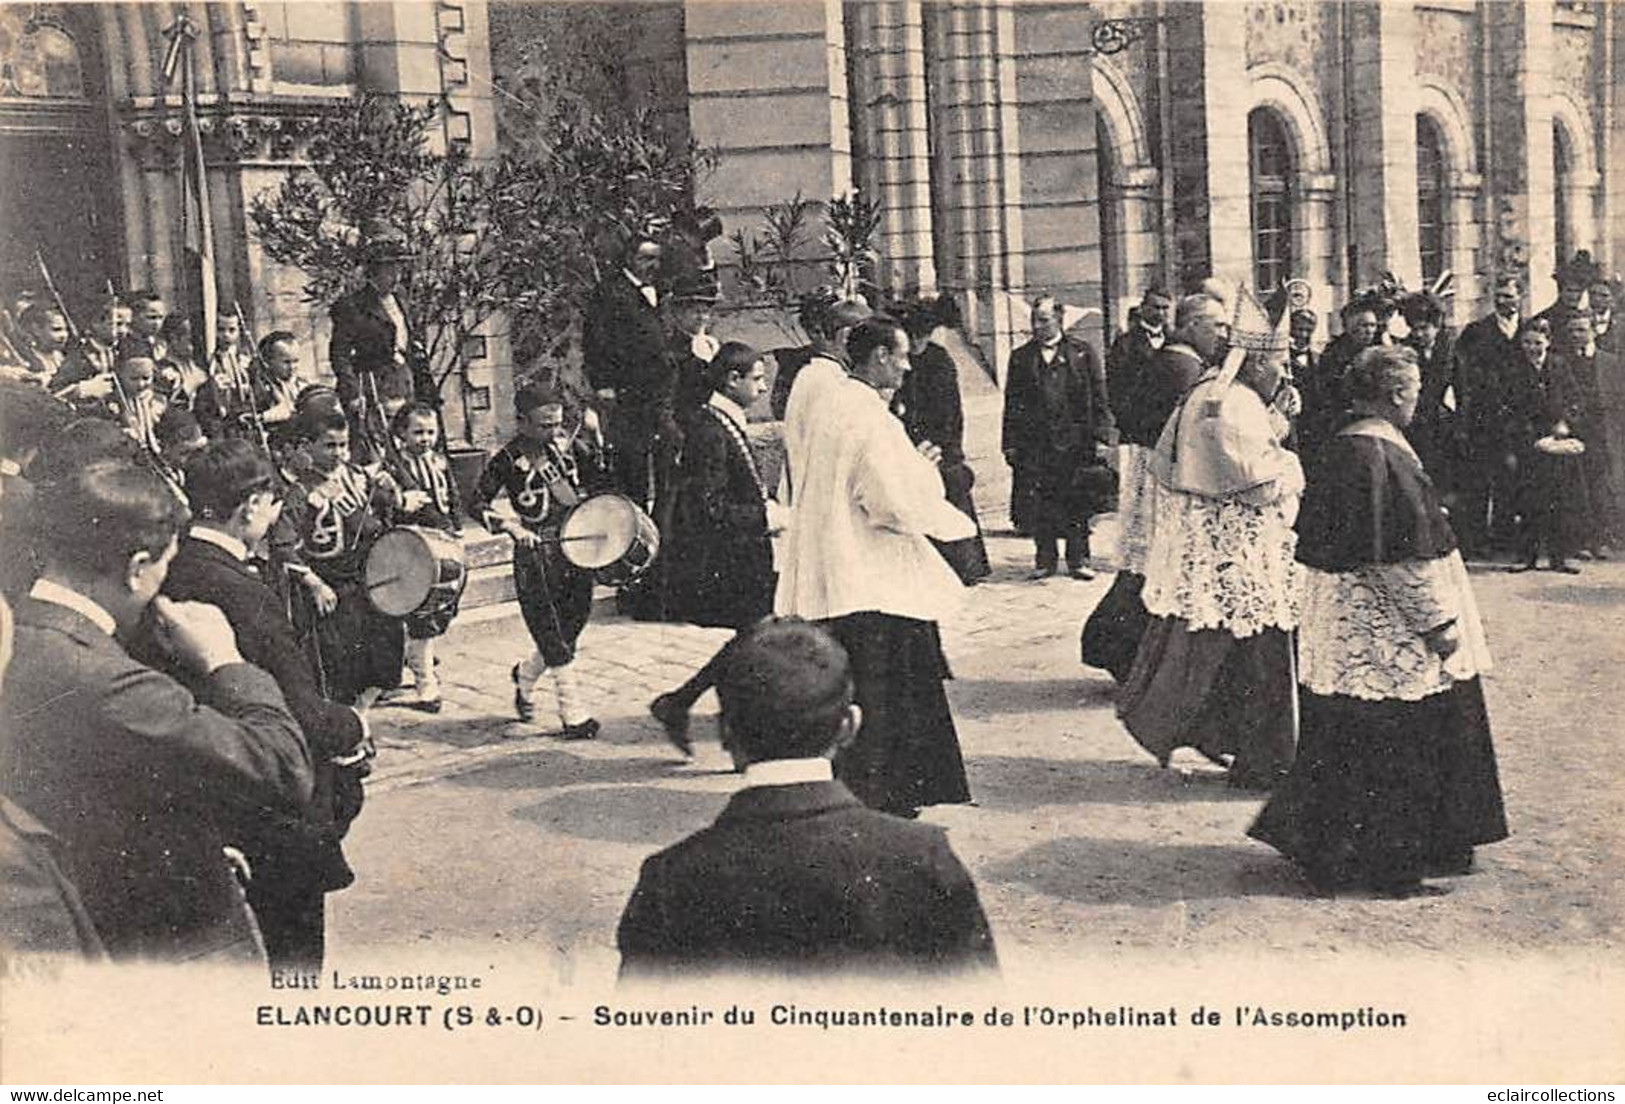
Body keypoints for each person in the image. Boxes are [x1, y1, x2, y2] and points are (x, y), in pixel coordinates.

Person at [0, 460, 311, 961]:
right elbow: (280, 766)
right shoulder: (103, 678)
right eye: (165, 564)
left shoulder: (22, 633)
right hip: (158, 948)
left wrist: (171, 836)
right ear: (136, 568)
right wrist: (223, 658)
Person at [1250, 345, 1507, 897]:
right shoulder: (1379, 454)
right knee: (1399, 752)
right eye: (1413, 393)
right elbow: (1402, 559)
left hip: (1342, 626)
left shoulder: (1345, 443)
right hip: (1383, 630)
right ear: (1395, 395)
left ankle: (1328, 855)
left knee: (1344, 743)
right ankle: (1390, 868)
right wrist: (1439, 626)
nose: (1417, 402)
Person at [617, 617, 997, 979]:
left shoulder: (671, 877)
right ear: (849, 727)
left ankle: (679, 701)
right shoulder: (925, 857)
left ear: (724, 734)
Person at [153, 440, 371, 969]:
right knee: (293, 955)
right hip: (269, 802)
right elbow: (297, 708)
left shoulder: (176, 563)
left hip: (202, 785)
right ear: (250, 505)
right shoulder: (240, 589)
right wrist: (353, 726)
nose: (274, 518)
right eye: (272, 506)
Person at [775, 318, 976, 818]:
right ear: (881, 357)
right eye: (902, 356)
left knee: (863, 688)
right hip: (872, 575)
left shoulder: (837, 404)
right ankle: (889, 798)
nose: (908, 367)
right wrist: (928, 478)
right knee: (890, 693)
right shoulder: (868, 416)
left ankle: (865, 793)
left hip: (843, 573)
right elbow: (887, 500)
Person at [1116, 292, 1304, 790]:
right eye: (1277, 366)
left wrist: (1278, 424)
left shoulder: (1226, 393)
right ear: (1256, 364)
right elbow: (1260, 481)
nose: (1282, 377)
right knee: (1256, 658)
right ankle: (1262, 761)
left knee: (1236, 655)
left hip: (1230, 550)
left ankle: (1240, 747)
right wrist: (1293, 465)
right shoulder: (1227, 402)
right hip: (1237, 555)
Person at [1081, 293, 1229, 682]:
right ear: (1193, 324)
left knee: (1153, 569)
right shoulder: (1182, 366)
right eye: (1217, 326)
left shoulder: (1181, 360)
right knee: (1158, 569)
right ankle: (1129, 655)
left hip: (1161, 478)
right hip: (1168, 484)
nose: (1222, 334)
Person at [648, 344, 787, 755]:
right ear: (733, 380)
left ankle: (689, 708)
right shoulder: (709, 431)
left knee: (752, 637)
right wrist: (765, 518)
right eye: (757, 379)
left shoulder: (722, 421)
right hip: (726, 560)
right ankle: (718, 724)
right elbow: (708, 508)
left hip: (743, 555)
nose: (762, 388)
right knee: (754, 638)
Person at [473, 384, 608, 739]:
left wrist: (594, 436)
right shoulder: (505, 459)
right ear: (522, 423)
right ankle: (572, 711)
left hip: (575, 549)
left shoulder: (568, 447)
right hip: (535, 553)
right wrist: (509, 525)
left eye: (558, 424)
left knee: (571, 629)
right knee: (549, 629)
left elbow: (600, 479)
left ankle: (525, 675)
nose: (553, 433)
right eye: (544, 426)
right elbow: (476, 502)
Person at [288, 411, 405, 709]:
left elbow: (380, 518)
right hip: (332, 585)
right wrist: (313, 583)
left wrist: (389, 492)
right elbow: (283, 544)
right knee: (342, 663)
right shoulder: (301, 490)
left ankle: (361, 715)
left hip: (369, 577)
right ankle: (349, 725)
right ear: (308, 446)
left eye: (343, 445)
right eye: (329, 446)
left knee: (384, 652)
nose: (338, 453)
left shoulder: (358, 476)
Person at [1002, 296, 1117, 580]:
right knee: (1040, 502)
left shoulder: (1082, 352)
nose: (1038, 327)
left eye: (1044, 320)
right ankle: (1045, 560)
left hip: (1076, 441)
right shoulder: (1021, 357)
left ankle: (1079, 560)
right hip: (1036, 444)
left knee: (1077, 501)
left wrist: (1102, 436)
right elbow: (1012, 403)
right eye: (1034, 321)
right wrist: (1010, 443)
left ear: (1059, 320)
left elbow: (1099, 398)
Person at [893, 301, 990, 585]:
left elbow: (950, 410)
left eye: (922, 338)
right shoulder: (904, 360)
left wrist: (944, 446)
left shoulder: (939, 359)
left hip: (940, 442)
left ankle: (966, 567)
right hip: (910, 441)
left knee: (952, 497)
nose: (917, 344)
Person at [384, 402, 464, 711]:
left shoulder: (441, 462)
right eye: (417, 432)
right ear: (401, 434)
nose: (425, 438)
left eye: (431, 432)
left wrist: (457, 525)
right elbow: (391, 508)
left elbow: (452, 496)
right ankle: (425, 686)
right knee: (422, 615)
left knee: (442, 608)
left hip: (444, 539)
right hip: (413, 547)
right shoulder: (394, 469)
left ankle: (414, 660)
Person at [581, 233, 671, 510]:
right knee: (631, 462)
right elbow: (595, 341)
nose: (652, 265)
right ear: (630, 259)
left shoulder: (660, 291)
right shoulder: (610, 292)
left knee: (664, 458)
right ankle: (634, 518)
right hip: (626, 392)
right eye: (646, 259)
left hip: (658, 392)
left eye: (657, 259)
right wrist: (603, 384)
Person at [330, 235, 437, 458]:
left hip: (404, 379)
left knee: (409, 438)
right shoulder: (352, 306)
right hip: (373, 384)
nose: (396, 277)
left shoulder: (400, 298)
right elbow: (339, 355)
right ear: (373, 273)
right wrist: (352, 393)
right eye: (389, 271)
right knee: (378, 444)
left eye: (398, 270)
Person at [1505, 318, 1589, 574]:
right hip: (1528, 445)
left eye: (1538, 343)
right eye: (1527, 342)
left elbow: (1575, 399)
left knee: (1560, 500)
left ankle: (1560, 556)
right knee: (1529, 500)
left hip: (1559, 443)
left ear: (1548, 342)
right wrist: (1533, 439)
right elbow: (1508, 409)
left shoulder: (1559, 366)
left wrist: (1565, 422)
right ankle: (1526, 556)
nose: (1532, 348)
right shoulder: (1512, 369)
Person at [1454, 274, 1528, 555]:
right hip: (1485, 418)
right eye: (1498, 295)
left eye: (1508, 295)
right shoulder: (1476, 331)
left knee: (1513, 479)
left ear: (1520, 297)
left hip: (1519, 418)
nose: (1502, 300)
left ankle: (1506, 536)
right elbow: (1464, 375)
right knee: (1481, 478)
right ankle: (1478, 539)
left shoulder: (1530, 329)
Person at [1555, 312, 1618, 555]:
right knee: (1575, 486)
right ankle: (1579, 541)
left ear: (1593, 331)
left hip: (1603, 432)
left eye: (1581, 330)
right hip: (1575, 430)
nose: (1575, 336)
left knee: (1601, 485)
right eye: (1571, 331)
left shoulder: (1610, 361)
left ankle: (1601, 539)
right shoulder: (1561, 361)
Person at [1105, 286, 1173, 424]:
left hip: (1169, 418)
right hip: (1138, 419)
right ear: (1143, 308)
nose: (1160, 313)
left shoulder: (1175, 339)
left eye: (1165, 308)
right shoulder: (1125, 343)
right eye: (1155, 307)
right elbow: (1115, 384)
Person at [254, 331, 306, 437]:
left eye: (296, 361)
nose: (292, 367)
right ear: (268, 361)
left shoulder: (302, 384)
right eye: (286, 362)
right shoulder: (259, 387)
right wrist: (265, 416)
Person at [155, 314, 209, 410]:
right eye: (190, 340)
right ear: (173, 339)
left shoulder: (200, 369)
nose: (196, 345)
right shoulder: (162, 371)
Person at [123, 290, 169, 364]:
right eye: (151, 317)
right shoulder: (126, 345)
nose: (157, 323)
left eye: (161, 317)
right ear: (134, 317)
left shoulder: (161, 343)